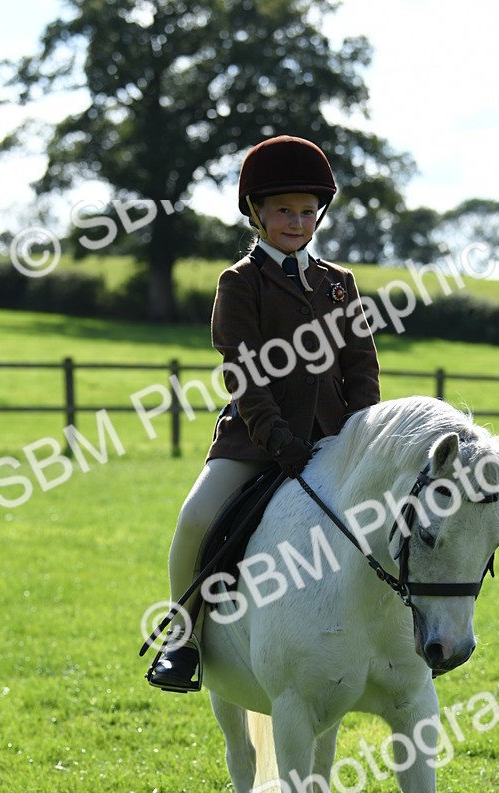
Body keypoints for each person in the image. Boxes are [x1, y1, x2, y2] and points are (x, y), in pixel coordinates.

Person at [147, 134, 381, 693]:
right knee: (195, 519)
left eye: (307, 211)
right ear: (256, 213)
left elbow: (361, 365)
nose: (297, 223)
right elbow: (243, 370)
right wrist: (278, 439)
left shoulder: (338, 283)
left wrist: (362, 433)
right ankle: (183, 640)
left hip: (335, 441)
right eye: (283, 211)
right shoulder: (240, 282)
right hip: (254, 442)